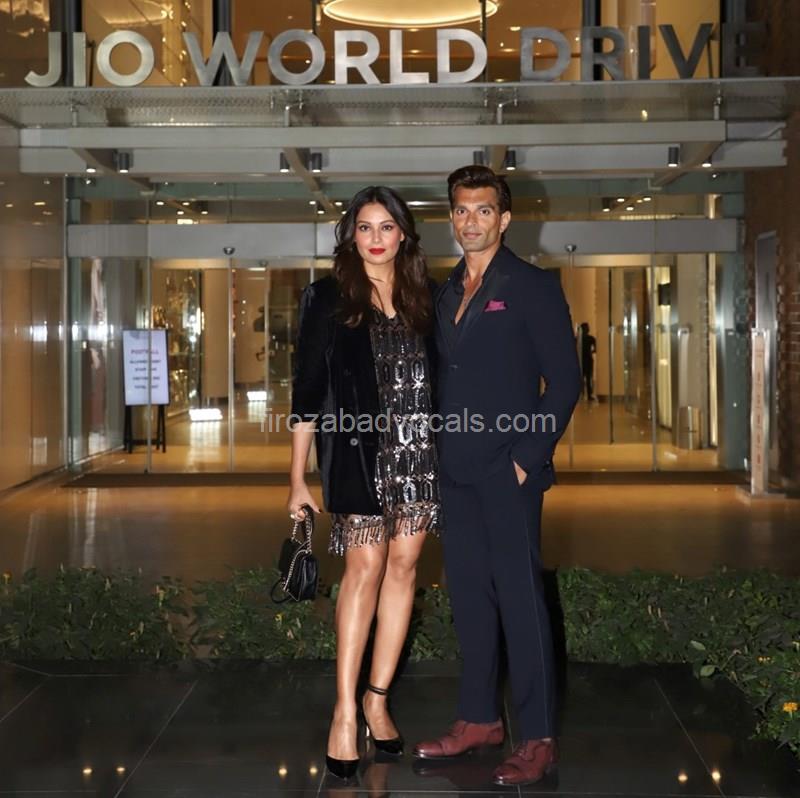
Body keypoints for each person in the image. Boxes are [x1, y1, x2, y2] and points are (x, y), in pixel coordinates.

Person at [413, 165, 581, 786]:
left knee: (520, 601)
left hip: (508, 471)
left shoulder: (532, 286)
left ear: (504, 219)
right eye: (461, 210)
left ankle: (538, 737)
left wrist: (524, 459)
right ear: (451, 218)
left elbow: (564, 382)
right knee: (469, 599)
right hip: (453, 471)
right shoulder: (442, 292)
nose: (471, 221)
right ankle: (479, 719)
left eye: (483, 210)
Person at [287, 186, 440, 781]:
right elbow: (306, 389)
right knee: (364, 568)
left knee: (404, 568)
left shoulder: (426, 296)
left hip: (420, 456)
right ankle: (345, 712)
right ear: (351, 235)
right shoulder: (327, 297)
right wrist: (297, 478)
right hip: (357, 455)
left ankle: (378, 699)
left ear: (403, 234)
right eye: (365, 227)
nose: (376, 238)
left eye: (387, 227)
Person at [579, 321, 597, 400]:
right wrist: (591, 352)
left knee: (582, 378)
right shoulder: (591, 338)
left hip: (582, 360)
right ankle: (588, 395)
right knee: (588, 377)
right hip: (588, 359)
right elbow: (596, 348)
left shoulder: (578, 339)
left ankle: (582, 394)